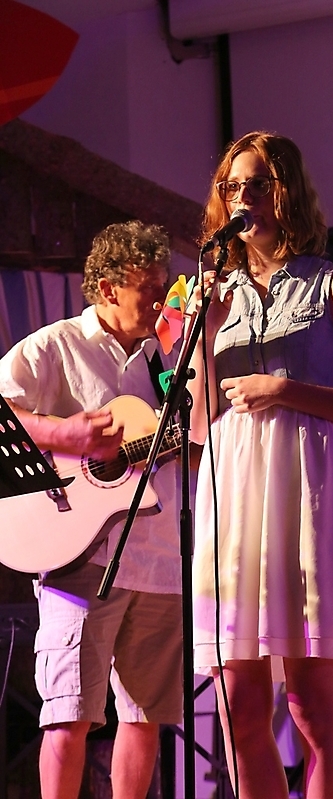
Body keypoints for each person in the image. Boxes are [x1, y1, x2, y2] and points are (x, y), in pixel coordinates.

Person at [189, 131, 333, 799]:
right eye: (232, 187)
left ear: (286, 193)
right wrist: (204, 329)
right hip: (235, 496)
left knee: (311, 707)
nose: (243, 199)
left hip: (310, 495)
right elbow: (198, 423)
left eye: (257, 185)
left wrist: (285, 391)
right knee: (240, 710)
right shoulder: (215, 295)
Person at [0, 221, 184, 799]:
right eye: (147, 289)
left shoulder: (169, 357)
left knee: (144, 716)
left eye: (163, 287)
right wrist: (65, 433)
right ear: (107, 288)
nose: (159, 300)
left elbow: (192, 435)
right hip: (78, 554)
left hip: (161, 560)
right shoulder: (56, 345)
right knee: (68, 714)